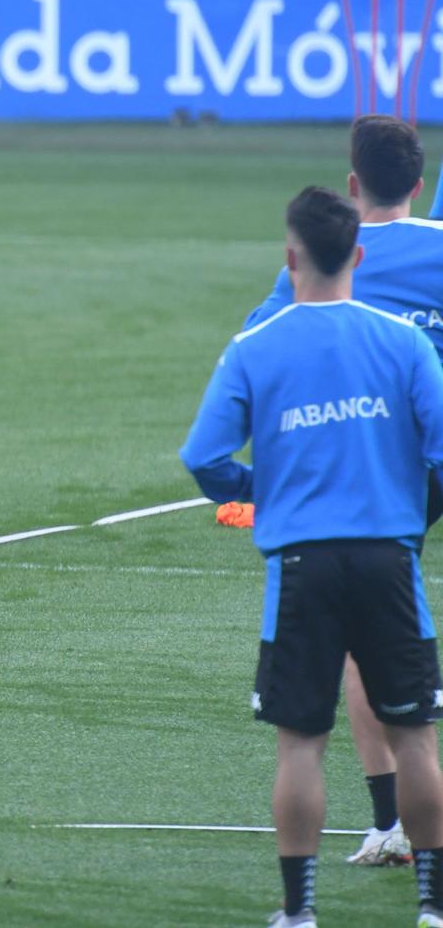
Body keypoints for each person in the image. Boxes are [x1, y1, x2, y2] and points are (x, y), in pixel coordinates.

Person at [186, 186, 443, 928]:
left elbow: (203, 457)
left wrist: (257, 485)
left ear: (290, 256)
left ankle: (298, 912)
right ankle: (432, 905)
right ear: (358, 256)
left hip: (299, 564)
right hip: (390, 560)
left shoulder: (256, 346)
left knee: (301, 743)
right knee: (416, 733)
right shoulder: (406, 343)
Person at [245, 114, 443, 868]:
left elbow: (261, 341)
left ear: (353, 185)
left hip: (370, 465)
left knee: (365, 632)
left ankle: (390, 819)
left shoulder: (325, 256)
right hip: (432, 452)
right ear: (418, 185)